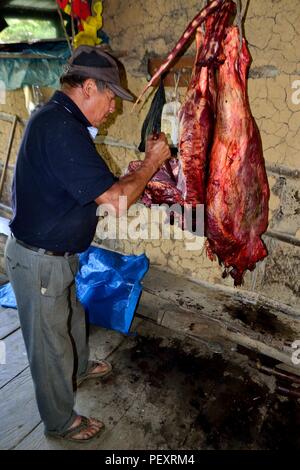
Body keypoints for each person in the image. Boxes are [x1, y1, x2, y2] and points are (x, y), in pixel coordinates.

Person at [4, 45, 170, 443]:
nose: (113, 107)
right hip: (39, 261)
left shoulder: (61, 120)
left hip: (58, 256)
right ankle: (60, 422)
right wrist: (150, 164)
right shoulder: (59, 129)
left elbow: (93, 186)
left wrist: (129, 179)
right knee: (49, 344)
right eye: (111, 96)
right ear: (89, 87)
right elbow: (114, 201)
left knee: (71, 317)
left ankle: (76, 370)